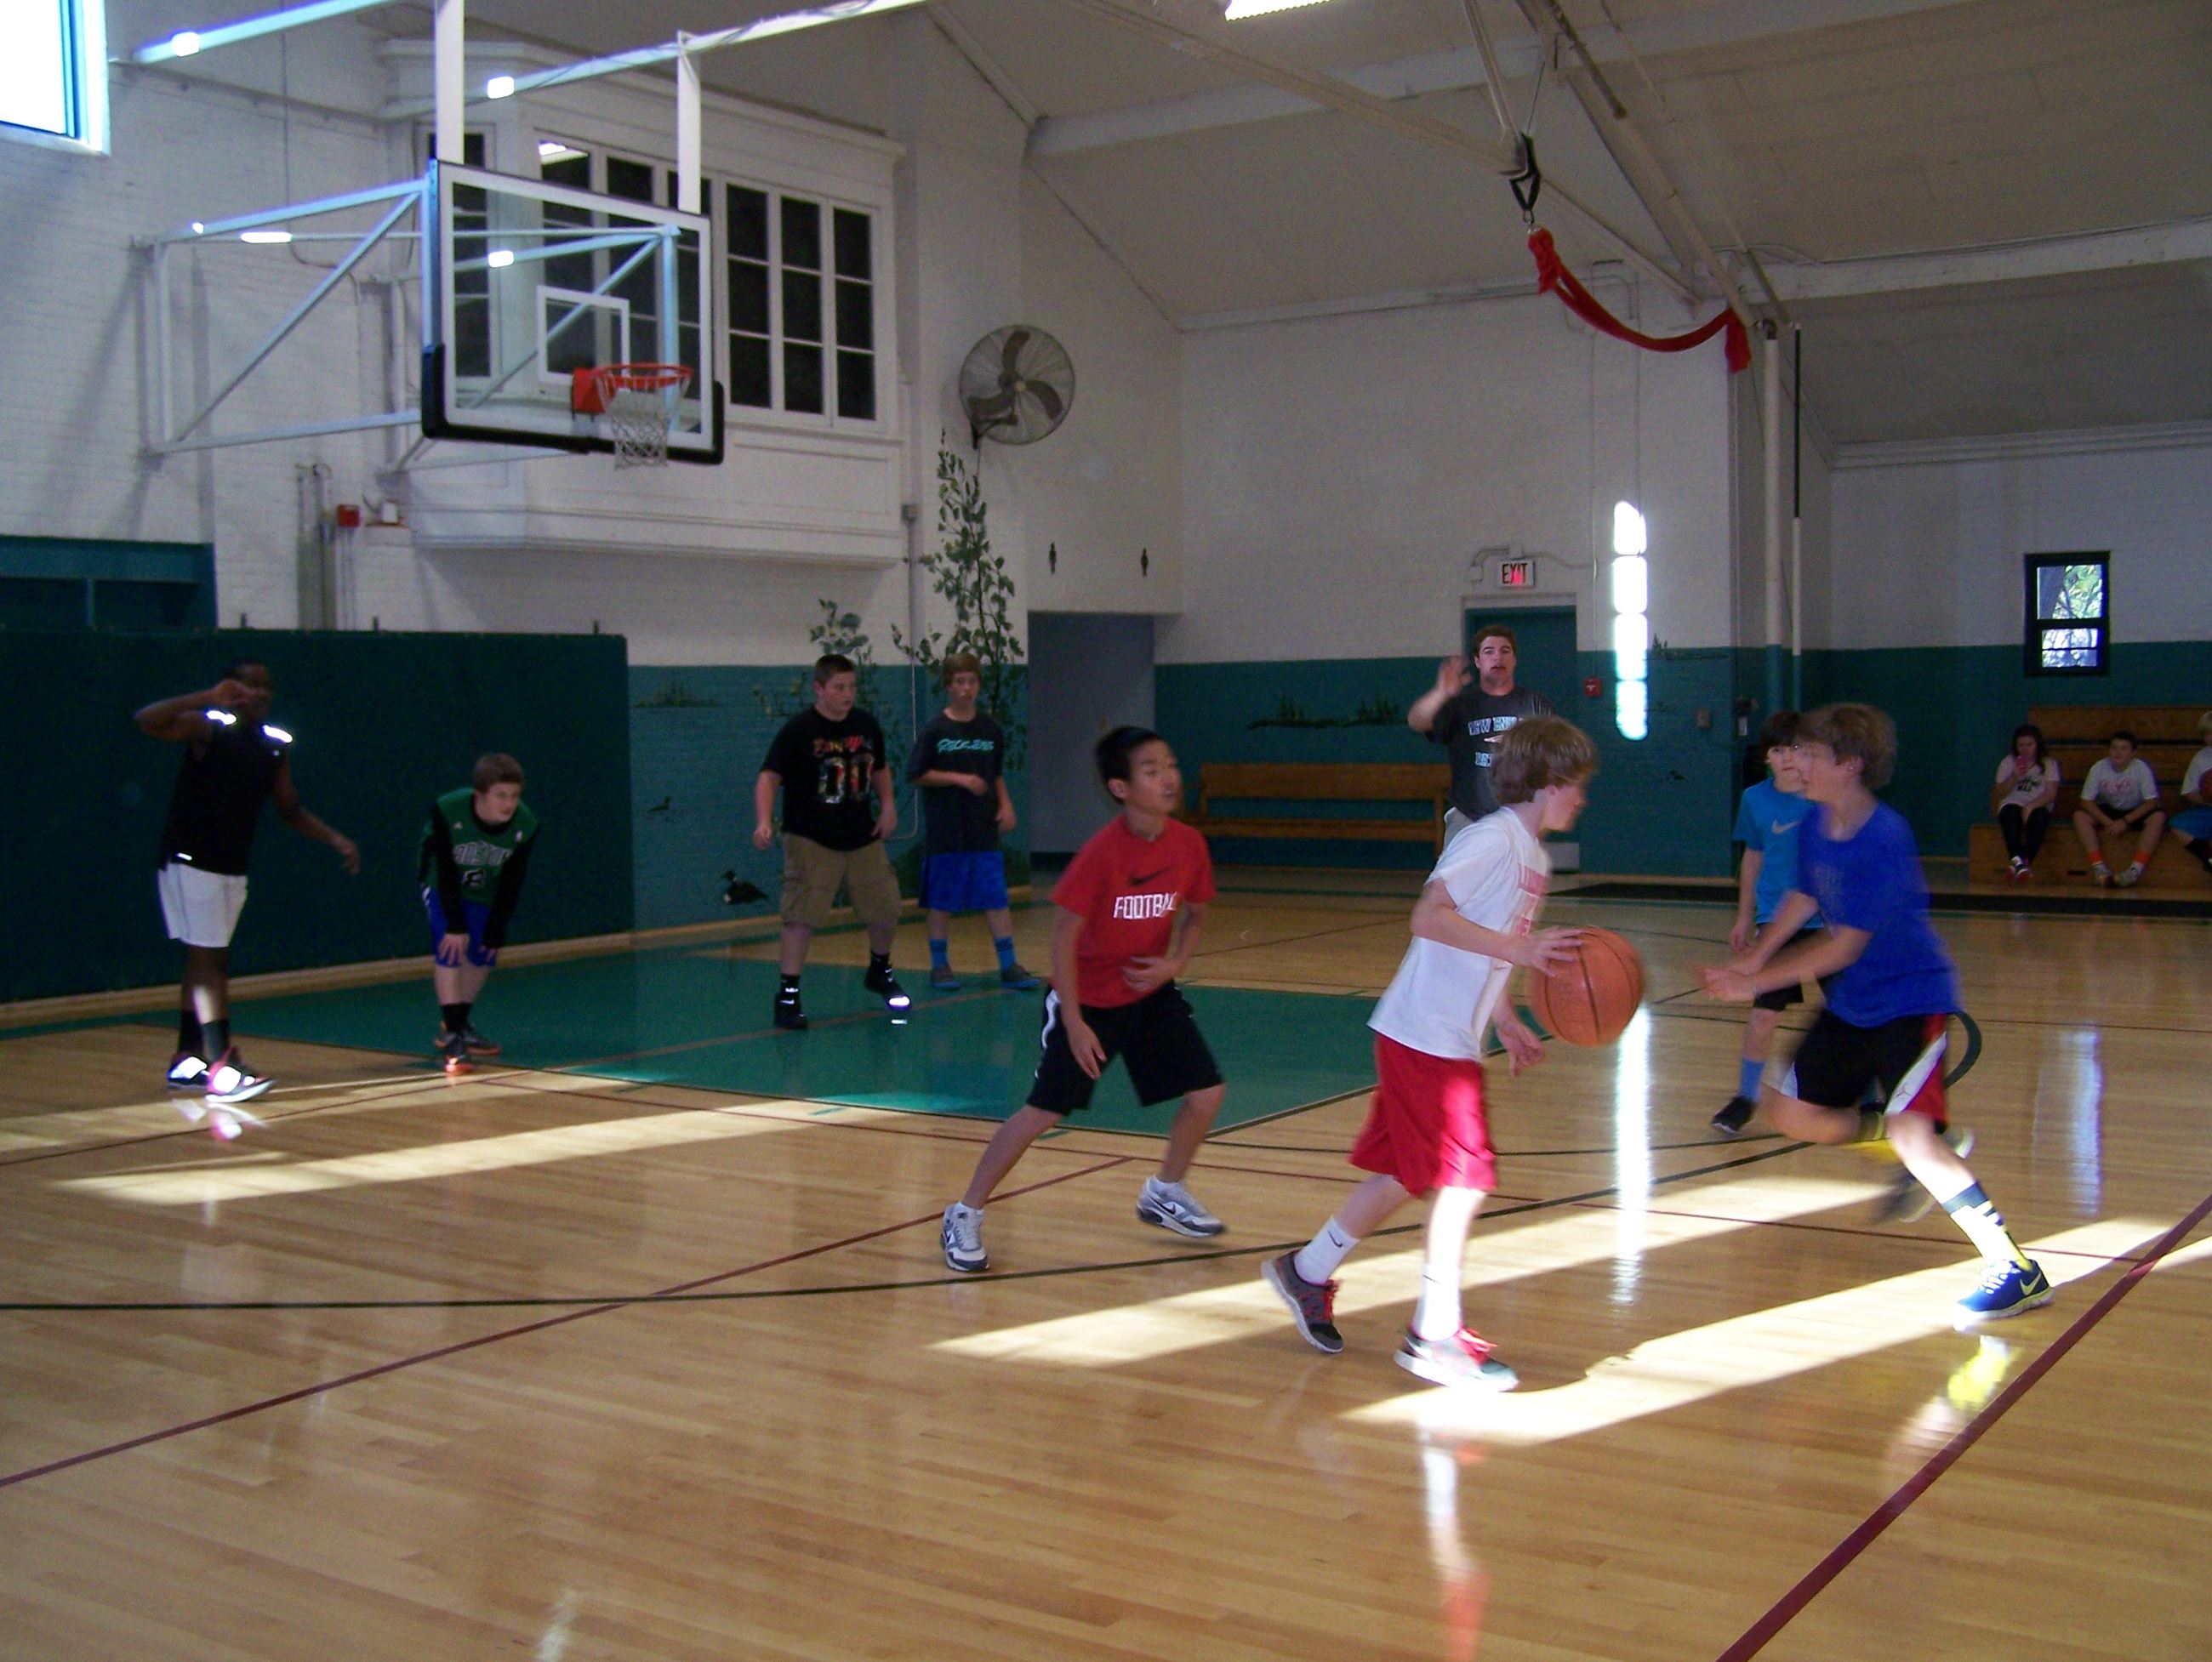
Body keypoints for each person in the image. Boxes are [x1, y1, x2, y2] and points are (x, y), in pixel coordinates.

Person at [1262, 716, 1593, 1390]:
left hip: (1445, 1035)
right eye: (1577, 785)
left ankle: (1306, 1272)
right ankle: (1433, 1335)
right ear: (1549, 782)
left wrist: (1505, 1016)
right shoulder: (1491, 838)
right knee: (1465, 1179)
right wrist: (1521, 950)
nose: (1582, 798)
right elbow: (1430, 917)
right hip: (1423, 1034)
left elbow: (1490, 944)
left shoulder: (1535, 859)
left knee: (1404, 1174)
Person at [1699, 703, 2052, 1325]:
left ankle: (2016, 1268)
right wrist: (1753, 957)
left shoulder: (1884, 836)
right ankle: (1906, 1137)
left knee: (1914, 1136)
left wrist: (1751, 983)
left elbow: (1842, 946)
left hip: (1911, 1002)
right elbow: (1804, 896)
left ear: (1850, 765)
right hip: (1856, 1003)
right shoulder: (1817, 821)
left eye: (1811, 754)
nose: (1797, 763)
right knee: (1792, 1114)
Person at [940, 726, 1226, 1273]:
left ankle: (1165, 1190)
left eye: (1170, 765)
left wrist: (1174, 964)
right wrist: (1072, 1020)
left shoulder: (1188, 844)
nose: (1169, 777)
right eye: (1151, 770)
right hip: (1088, 1000)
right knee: (1043, 1111)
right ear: (1120, 788)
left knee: (1207, 1093)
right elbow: (1062, 940)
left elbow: (1196, 915)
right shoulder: (1101, 855)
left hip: (1149, 994)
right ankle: (965, 1211)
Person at [136, 661, 360, 1122]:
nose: (259, 692)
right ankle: (222, 1066)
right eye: (249, 684)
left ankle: (187, 1060)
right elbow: (147, 720)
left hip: (231, 866)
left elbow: (290, 810)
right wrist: (206, 696)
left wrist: (335, 838)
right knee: (210, 960)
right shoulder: (208, 727)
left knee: (204, 957)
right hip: (190, 859)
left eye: (265, 686)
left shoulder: (274, 745)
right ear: (231, 687)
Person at [754, 654, 908, 1029]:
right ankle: (788, 995)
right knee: (801, 916)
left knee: (886, 906)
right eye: (839, 687)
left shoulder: (866, 725)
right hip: (811, 837)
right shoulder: (799, 731)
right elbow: (769, 777)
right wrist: (763, 821)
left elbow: (879, 768)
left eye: (852, 687)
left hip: (861, 835)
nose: (847, 694)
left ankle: (880, 970)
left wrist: (888, 806)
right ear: (819, 689)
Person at [1714, 710, 1826, 1136]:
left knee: (1852, 1007)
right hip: (1774, 922)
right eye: (1779, 750)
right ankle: (1745, 1097)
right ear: (1766, 758)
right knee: (1763, 1016)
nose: (1789, 758)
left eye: (1797, 748)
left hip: (1826, 921)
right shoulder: (1755, 800)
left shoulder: (1823, 798)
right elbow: (1753, 857)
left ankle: (1872, 1094)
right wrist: (1744, 915)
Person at [904, 652, 1038, 992]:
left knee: (995, 896)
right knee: (941, 899)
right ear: (949, 686)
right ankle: (940, 965)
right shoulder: (935, 730)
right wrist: (959, 779)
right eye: (960, 681)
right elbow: (917, 774)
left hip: (982, 828)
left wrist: (1006, 805)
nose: (966, 688)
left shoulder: (990, 729)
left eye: (972, 681)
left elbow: (996, 774)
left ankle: (1009, 965)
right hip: (947, 829)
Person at [418, 754, 538, 1075]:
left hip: (483, 891)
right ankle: (453, 1038)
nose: (509, 804)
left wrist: (497, 928)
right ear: (479, 794)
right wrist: (455, 925)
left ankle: (456, 1023)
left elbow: (512, 881)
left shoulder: (525, 824)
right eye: (501, 795)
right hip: (441, 885)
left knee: (485, 950)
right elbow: (444, 868)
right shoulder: (449, 809)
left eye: (514, 796)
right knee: (450, 947)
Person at [1406, 624, 1556, 834]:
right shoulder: (1461, 704)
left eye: (1505, 651)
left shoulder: (1536, 705)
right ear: (1477, 661)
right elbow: (1416, 721)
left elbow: (1554, 756)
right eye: (1489, 651)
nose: (1497, 657)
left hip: (1520, 818)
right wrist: (1441, 693)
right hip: (1469, 817)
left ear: (1514, 659)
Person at [2071, 730, 2165, 886]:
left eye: (2124, 748)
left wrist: (2125, 821)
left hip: (2134, 810)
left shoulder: (2141, 768)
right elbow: (2086, 801)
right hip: (2110, 809)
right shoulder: (2099, 767)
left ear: (2133, 753)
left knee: (2158, 817)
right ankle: (2099, 868)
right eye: (2114, 748)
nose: (2118, 752)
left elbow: (2151, 802)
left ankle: (2134, 871)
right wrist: (2108, 822)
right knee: (2079, 816)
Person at [1990, 723, 2060, 882]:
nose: (2025, 749)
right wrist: (2015, 776)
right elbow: (2000, 793)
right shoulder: (2008, 762)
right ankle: (2020, 865)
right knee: (2009, 816)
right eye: (2021, 745)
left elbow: (2051, 794)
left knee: (2040, 819)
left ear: (2037, 744)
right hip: (2012, 803)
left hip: (2038, 804)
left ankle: (2018, 864)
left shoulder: (2048, 764)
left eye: (2029, 745)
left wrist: (2031, 806)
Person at [2171, 710, 2212, 875]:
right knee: (2177, 824)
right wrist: (2208, 801)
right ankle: (2208, 858)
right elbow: (2189, 792)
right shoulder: (2200, 758)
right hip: (2209, 809)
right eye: (2207, 734)